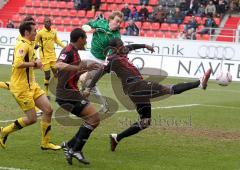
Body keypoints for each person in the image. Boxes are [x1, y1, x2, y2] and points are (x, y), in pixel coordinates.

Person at [86, 38, 212, 151]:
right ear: (114, 48)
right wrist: (89, 88)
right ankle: (199, 83)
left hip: (135, 91)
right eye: (120, 45)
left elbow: (133, 46)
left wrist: (146, 46)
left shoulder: (122, 51)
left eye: (123, 44)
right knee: (169, 89)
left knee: (145, 121)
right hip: (136, 87)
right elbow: (99, 73)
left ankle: (117, 137)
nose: (123, 46)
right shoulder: (111, 60)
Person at [0, 21, 61, 150]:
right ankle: (4, 131)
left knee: (48, 110)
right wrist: (35, 64)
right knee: (32, 119)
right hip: (21, 89)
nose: (36, 32)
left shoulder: (29, 44)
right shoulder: (23, 45)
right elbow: (17, 63)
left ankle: (46, 143)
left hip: (32, 85)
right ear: (27, 32)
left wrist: (36, 63)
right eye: (34, 30)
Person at [55, 28, 100, 165]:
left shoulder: (75, 53)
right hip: (67, 94)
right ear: (80, 38)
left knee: (92, 119)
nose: (86, 41)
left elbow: (72, 71)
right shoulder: (68, 50)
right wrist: (77, 69)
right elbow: (58, 64)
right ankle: (74, 149)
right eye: (85, 38)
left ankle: (70, 145)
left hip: (71, 93)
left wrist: (87, 69)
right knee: (94, 118)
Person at [80, 11, 123, 113]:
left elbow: (114, 51)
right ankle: (98, 103)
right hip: (90, 56)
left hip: (100, 61)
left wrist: (108, 62)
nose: (118, 24)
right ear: (110, 19)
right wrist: (86, 27)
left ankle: (87, 99)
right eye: (117, 21)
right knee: (85, 80)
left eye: (120, 22)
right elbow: (88, 24)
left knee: (84, 79)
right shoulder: (100, 23)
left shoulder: (116, 35)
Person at [35, 17, 65, 99]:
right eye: (46, 22)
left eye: (49, 21)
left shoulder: (54, 32)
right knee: (47, 76)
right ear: (44, 23)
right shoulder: (40, 33)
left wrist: (64, 47)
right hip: (44, 58)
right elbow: (35, 42)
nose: (48, 23)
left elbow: (57, 40)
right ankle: (46, 93)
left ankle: (58, 92)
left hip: (53, 56)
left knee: (56, 74)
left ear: (51, 23)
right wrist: (35, 48)